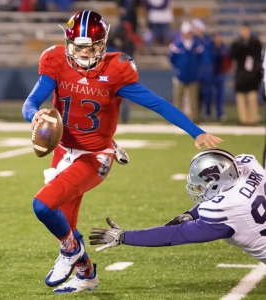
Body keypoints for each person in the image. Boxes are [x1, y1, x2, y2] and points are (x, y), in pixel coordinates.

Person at [22, 10, 224, 294]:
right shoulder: (55, 61)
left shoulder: (115, 69)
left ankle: (71, 251)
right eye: (77, 46)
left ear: (102, 44)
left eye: (89, 46)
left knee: (42, 206)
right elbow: (30, 102)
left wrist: (196, 131)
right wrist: (33, 114)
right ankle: (86, 274)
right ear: (67, 43)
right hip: (63, 151)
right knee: (64, 224)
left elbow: (158, 104)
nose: (83, 52)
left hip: (95, 156)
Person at [90, 148, 266, 266]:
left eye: (201, 185)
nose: (198, 189)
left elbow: (174, 234)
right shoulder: (248, 167)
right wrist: (190, 214)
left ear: (216, 182)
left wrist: (123, 236)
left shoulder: (224, 210)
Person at [169, 21, 203, 123]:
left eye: (188, 32)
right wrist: (178, 68)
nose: (186, 34)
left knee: (193, 99)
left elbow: (200, 58)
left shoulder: (197, 45)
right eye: (184, 32)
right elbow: (172, 59)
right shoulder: (176, 45)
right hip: (180, 75)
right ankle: (177, 119)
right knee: (178, 98)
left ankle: (195, 118)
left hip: (193, 75)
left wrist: (195, 69)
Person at [230, 22, 262, 126]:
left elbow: (258, 58)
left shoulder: (255, 43)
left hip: (252, 75)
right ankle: (244, 120)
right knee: (241, 98)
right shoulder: (237, 43)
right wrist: (242, 45)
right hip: (240, 74)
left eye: (246, 31)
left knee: (252, 98)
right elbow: (232, 55)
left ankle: (253, 119)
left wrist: (257, 73)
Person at [192, 19, 214, 122]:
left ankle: (208, 113)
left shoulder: (208, 40)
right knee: (197, 94)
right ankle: (197, 113)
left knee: (208, 93)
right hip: (198, 70)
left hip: (208, 70)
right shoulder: (194, 40)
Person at [212, 32, 232, 122]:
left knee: (220, 95)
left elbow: (228, 61)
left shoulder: (224, 48)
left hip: (221, 74)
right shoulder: (211, 47)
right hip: (211, 74)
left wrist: (226, 70)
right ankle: (208, 113)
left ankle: (220, 113)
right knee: (209, 95)